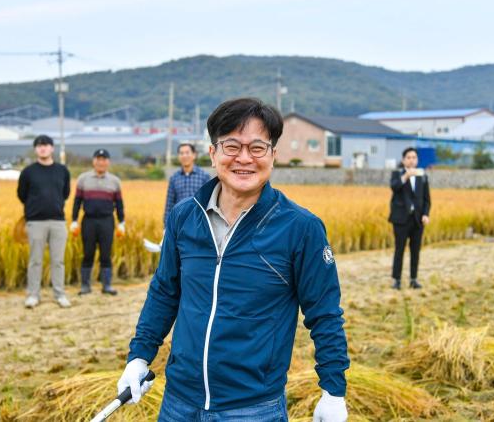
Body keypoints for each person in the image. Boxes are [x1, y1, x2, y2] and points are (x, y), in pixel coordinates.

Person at [118, 98, 350, 422]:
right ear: (213, 154)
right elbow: (164, 291)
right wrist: (139, 357)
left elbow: (324, 314)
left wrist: (333, 391)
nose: (244, 158)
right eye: (231, 146)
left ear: (273, 155)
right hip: (178, 403)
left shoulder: (300, 228)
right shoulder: (184, 217)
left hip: (253, 408)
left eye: (257, 147)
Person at [17, 135, 71, 308]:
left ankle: (60, 294)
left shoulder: (62, 170)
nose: (43, 148)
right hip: (35, 222)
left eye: (46, 145)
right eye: (39, 146)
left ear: (52, 148)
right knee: (35, 260)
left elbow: (66, 193)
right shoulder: (28, 172)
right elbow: (22, 194)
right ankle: (33, 295)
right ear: (35, 149)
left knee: (58, 260)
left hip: (58, 221)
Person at [70, 149, 124, 296]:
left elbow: (119, 204)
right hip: (89, 220)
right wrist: (74, 220)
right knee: (88, 253)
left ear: (108, 162)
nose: (101, 162)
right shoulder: (83, 179)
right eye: (98, 159)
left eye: (104, 159)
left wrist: (121, 222)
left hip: (107, 221)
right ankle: (85, 286)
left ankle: (106, 285)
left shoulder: (114, 181)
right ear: (94, 161)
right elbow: (77, 202)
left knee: (106, 254)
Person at [388, 147, 431, 290]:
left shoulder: (422, 176)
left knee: (415, 250)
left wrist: (425, 214)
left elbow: (426, 199)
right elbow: (394, 187)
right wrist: (405, 176)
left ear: (417, 160)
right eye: (409, 157)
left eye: (414, 157)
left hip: (417, 219)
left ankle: (413, 279)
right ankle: (397, 280)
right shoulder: (397, 174)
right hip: (400, 219)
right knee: (399, 249)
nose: (412, 160)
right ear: (403, 160)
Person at [163, 143, 210, 227]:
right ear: (178, 156)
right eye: (181, 153)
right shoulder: (174, 178)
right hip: (179, 223)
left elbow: (209, 202)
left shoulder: (204, 176)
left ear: (194, 155)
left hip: (198, 223)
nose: (184, 156)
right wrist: (166, 226)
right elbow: (169, 204)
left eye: (187, 153)